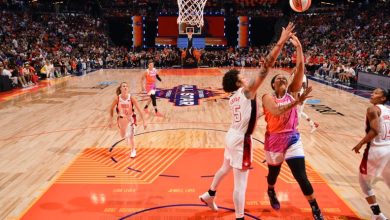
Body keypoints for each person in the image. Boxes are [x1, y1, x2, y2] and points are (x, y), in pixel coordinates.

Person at [199, 22, 295, 220]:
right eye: (240, 75)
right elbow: (266, 67)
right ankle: (240, 217)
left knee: (225, 167)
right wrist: (280, 43)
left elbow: (248, 114)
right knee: (241, 183)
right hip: (241, 139)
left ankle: (209, 194)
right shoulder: (247, 91)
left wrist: (261, 114)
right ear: (237, 82)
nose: (244, 75)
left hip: (231, 135)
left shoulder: (234, 96)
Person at [262, 35, 324, 220]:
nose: (282, 79)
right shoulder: (267, 97)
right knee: (274, 173)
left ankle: (315, 207)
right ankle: (271, 190)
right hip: (273, 139)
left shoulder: (293, 92)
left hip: (292, 138)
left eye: (284, 77)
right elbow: (276, 111)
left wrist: (299, 48)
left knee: (301, 176)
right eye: (278, 78)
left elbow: (300, 71)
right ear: (273, 84)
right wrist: (296, 102)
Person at [352, 88, 390, 220]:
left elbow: (374, 131)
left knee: (364, 182)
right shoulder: (389, 111)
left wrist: (360, 143)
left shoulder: (372, 109)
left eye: (376, 93)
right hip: (389, 149)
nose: (372, 94)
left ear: (383, 98)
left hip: (376, 150)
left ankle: (377, 214)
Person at [110, 82, 147, 158]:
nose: (125, 87)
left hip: (130, 118)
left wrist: (144, 121)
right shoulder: (117, 98)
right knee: (122, 135)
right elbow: (111, 109)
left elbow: (140, 110)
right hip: (121, 119)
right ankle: (126, 135)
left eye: (126, 86)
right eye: (123, 86)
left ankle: (133, 150)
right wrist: (110, 120)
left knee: (131, 135)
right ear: (120, 88)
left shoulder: (131, 98)